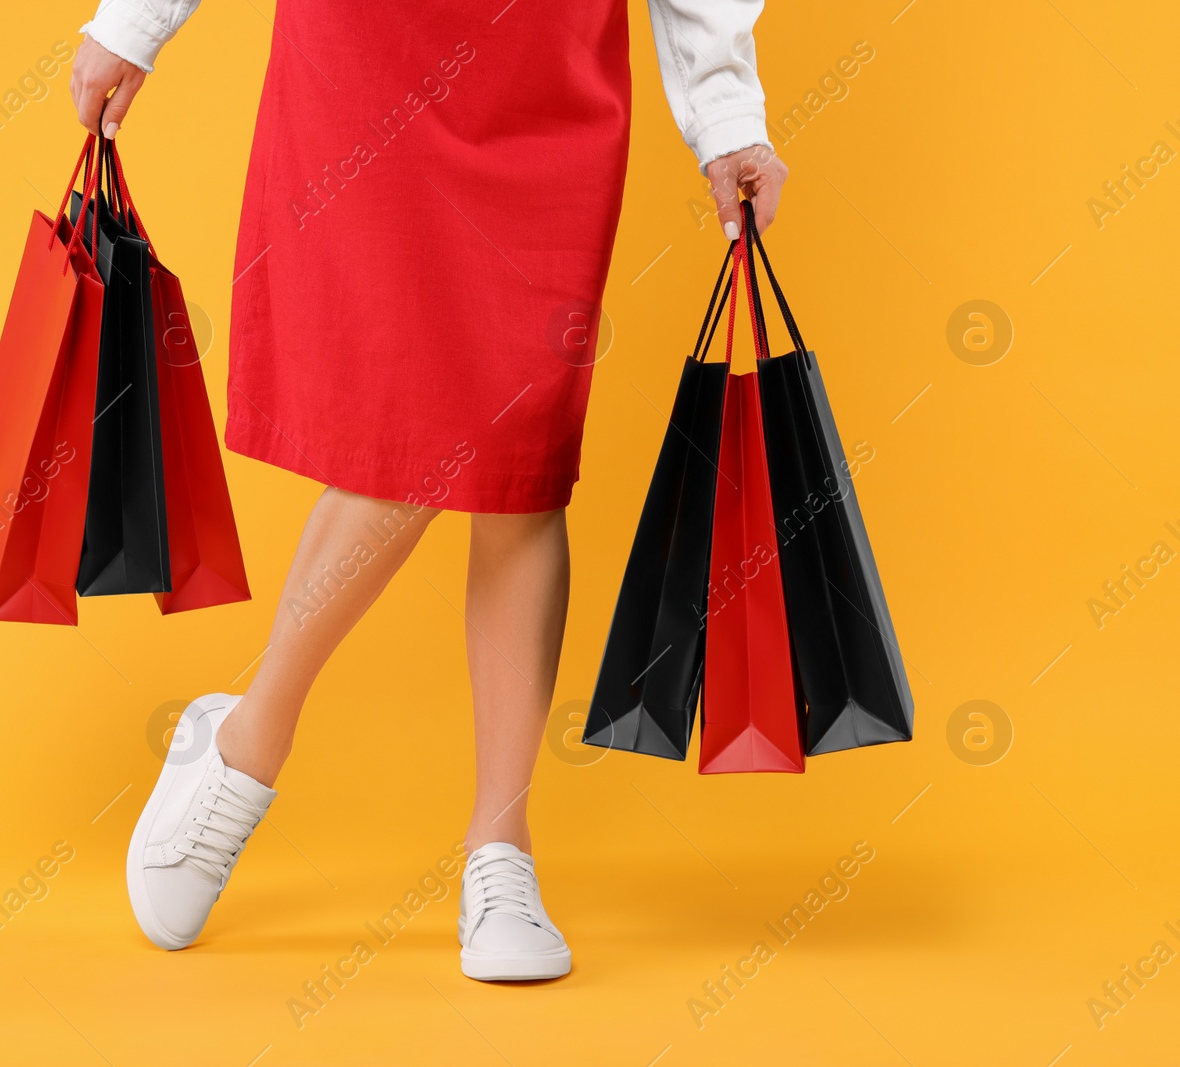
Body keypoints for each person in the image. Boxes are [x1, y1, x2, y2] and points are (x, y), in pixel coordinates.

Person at [70, 0, 786, 981]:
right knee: (408, 436)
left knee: (522, 461)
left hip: (548, 83)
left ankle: (501, 846)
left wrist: (725, 112)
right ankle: (246, 744)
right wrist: (138, 21)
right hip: (369, 67)